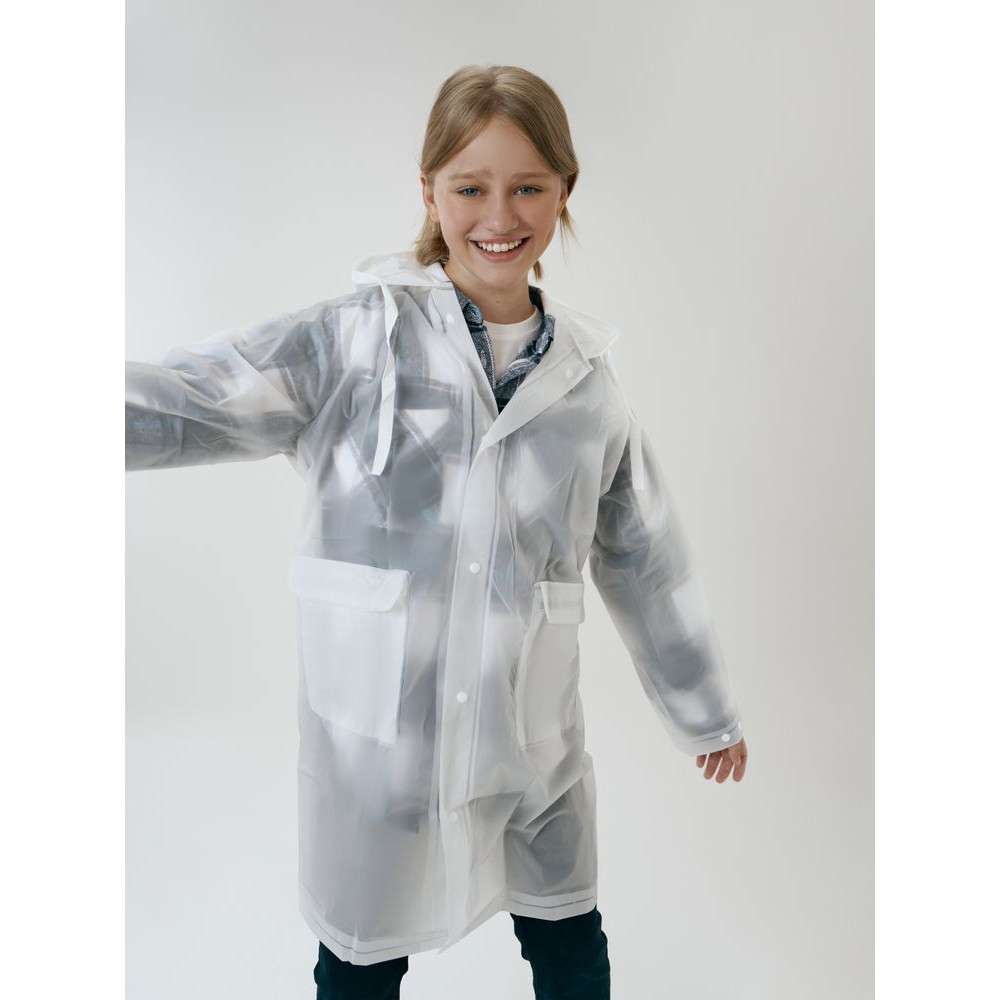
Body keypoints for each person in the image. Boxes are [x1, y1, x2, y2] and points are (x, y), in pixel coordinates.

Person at [126, 63, 748, 1000]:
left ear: (564, 191)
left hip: (528, 747)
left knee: (571, 947)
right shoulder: (352, 344)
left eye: (527, 186)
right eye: (470, 188)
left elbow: (644, 556)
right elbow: (190, 400)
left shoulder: (588, 386)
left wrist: (703, 710)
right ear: (429, 193)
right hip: (378, 752)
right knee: (360, 961)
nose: (499, 215)